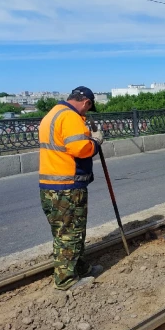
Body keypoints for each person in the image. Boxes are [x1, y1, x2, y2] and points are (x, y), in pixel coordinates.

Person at [39, 86, 104, 290]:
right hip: (67, 187)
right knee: (70, 233)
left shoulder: (52, 113)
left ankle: (80, 267)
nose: (86, 113)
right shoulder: (71, 117)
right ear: (86, 103)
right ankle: (66, 280)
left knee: (67, 231)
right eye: (87, 109)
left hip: (50, 185)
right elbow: (80, 148)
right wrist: (96, 142)